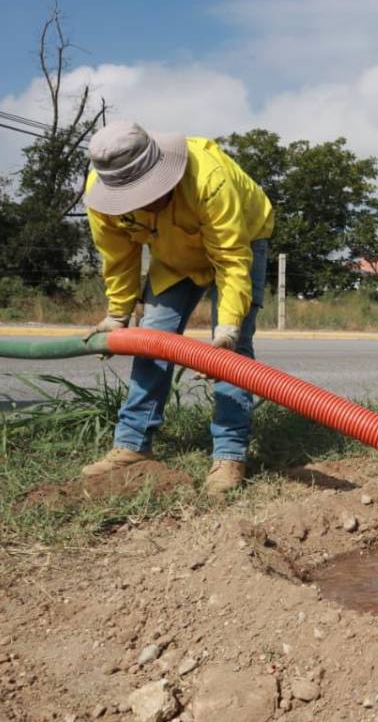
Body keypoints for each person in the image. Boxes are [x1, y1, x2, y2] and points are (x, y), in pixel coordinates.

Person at [81, 121, 274, 495]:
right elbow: (118, 257)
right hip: (173, 257)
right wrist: (118, 315)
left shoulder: (209, 179)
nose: (140, 203)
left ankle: (230, 452)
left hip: (242, 239)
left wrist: (228, 330)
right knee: (150, 340)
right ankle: (133, 444)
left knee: (232, 354)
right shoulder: (99, 195)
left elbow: (232, 260)